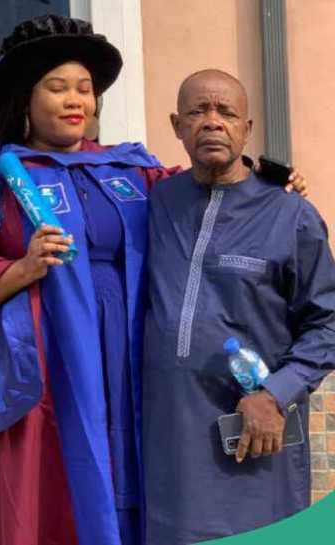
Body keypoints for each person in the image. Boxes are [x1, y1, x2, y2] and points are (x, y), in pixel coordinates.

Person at [0, 14, 310, 545]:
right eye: (58, 88)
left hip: (138, 356)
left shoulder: (132, 170)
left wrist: (273, 176)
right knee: (64, 482)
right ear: (25, 97)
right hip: (57, 362)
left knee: (141, 475)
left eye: (85, 90)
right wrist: (22, 269)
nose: (75, 101)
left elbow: (209, 188)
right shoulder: (3, 182)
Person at [141, 69, 335, 544]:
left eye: (226, 112)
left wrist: (275, 394)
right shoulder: (156, 203)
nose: (212, 122)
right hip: (169, 443)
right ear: (176, 126)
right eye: (197, 112)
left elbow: (328, 322)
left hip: (257, 436)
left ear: (247, 128)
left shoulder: (291, 215)